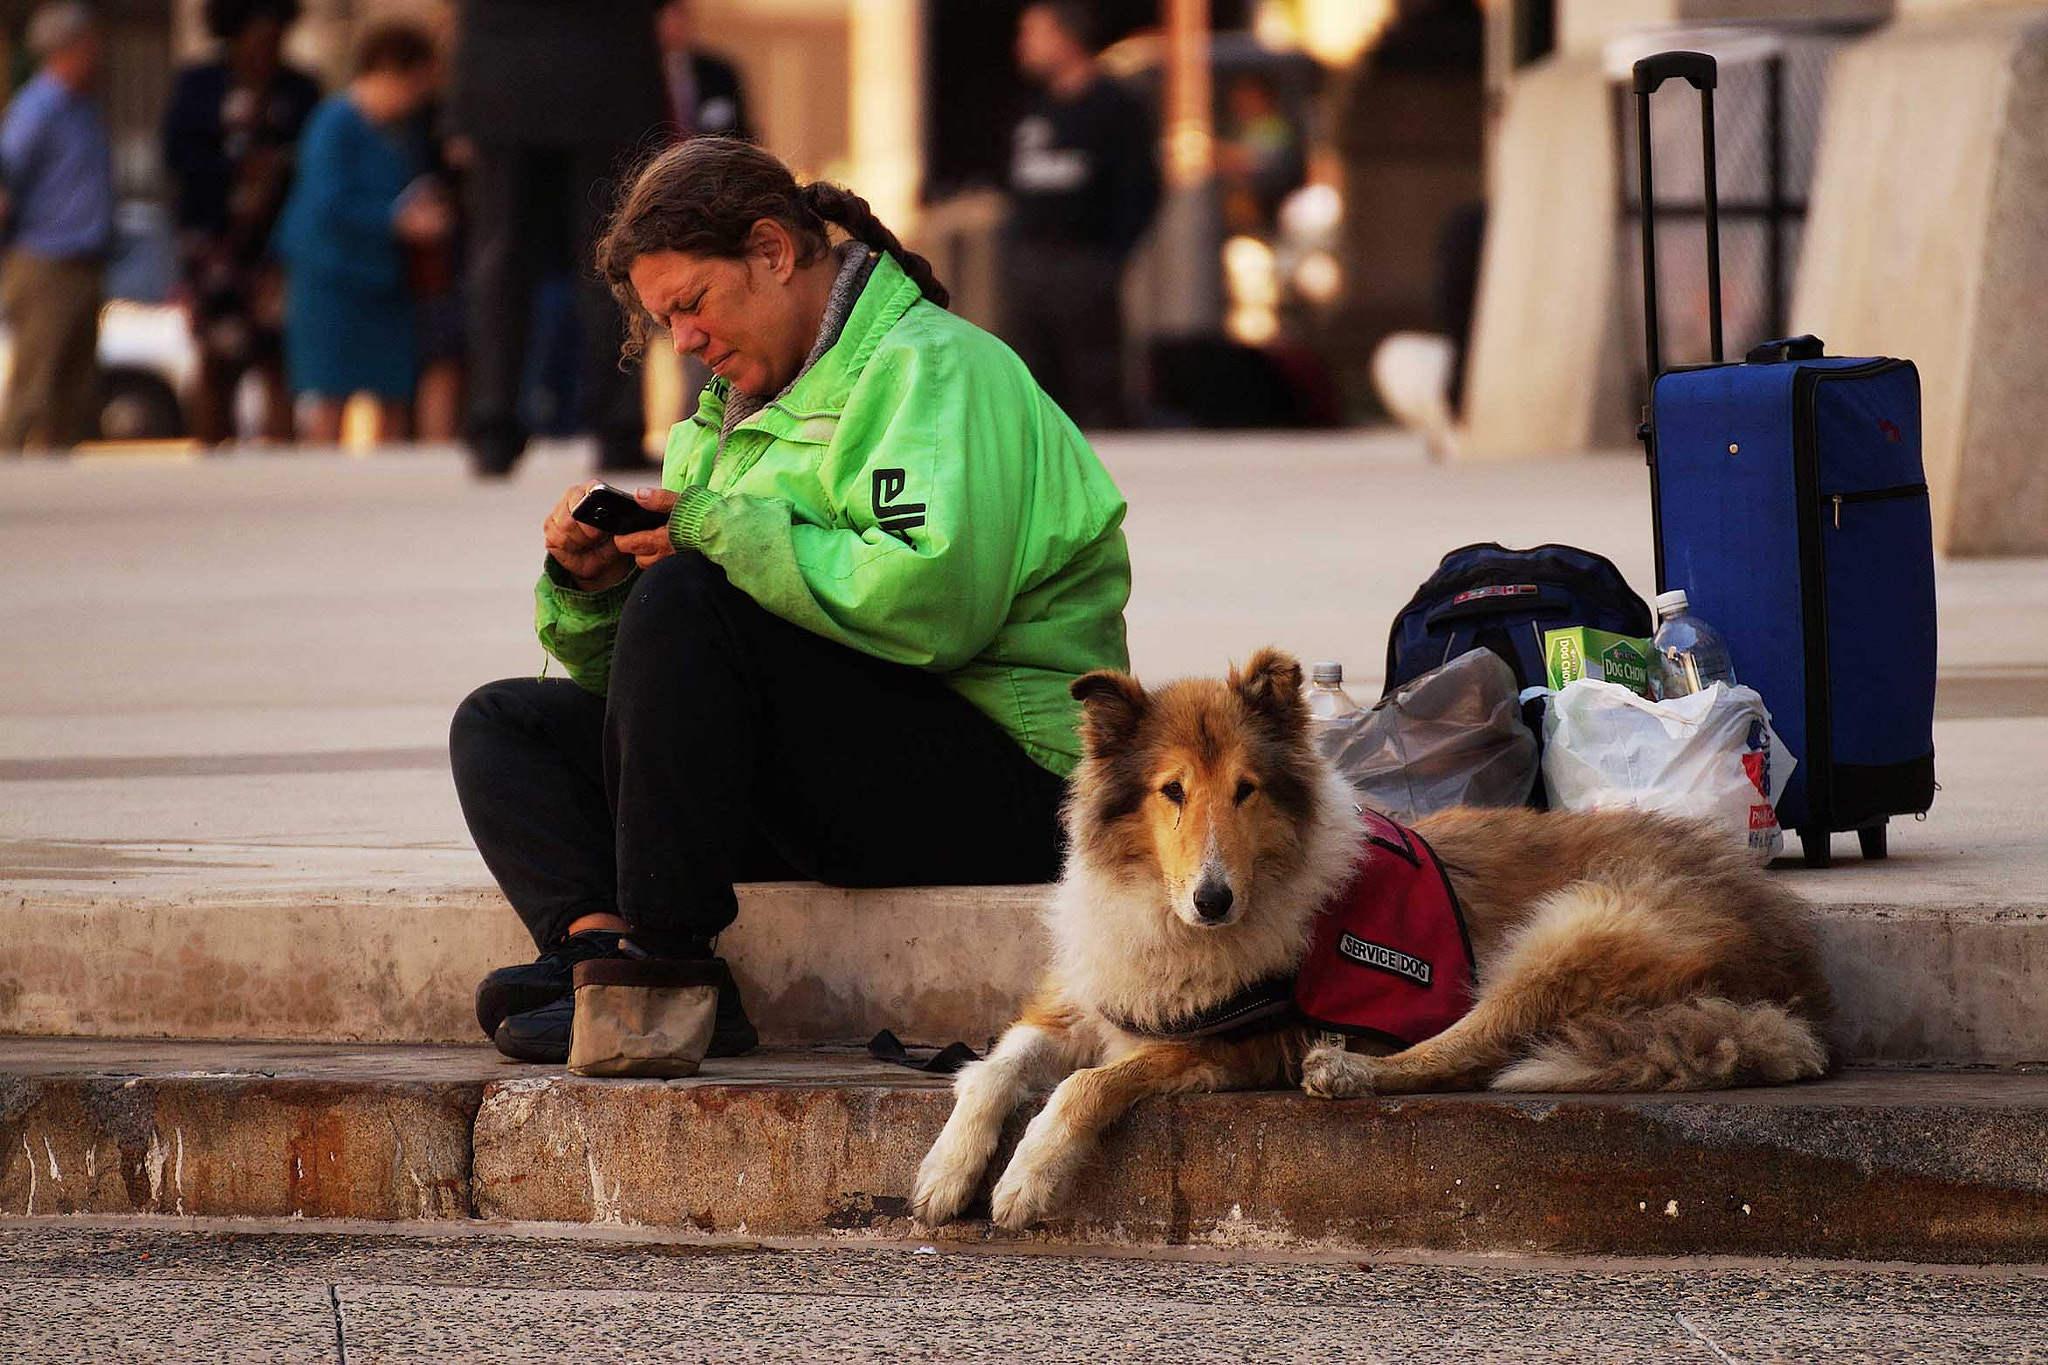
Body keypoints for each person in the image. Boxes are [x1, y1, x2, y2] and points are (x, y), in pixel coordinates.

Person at [449, 138, 1133, 1065]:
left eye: (690, 305)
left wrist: (714, 533)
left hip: (1012, 778)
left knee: (693, 587)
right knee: (503, 723)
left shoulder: (936, 370)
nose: (683, 342)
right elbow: (667, 688)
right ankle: (599, 952)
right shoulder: (725, 420)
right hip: (842, 778)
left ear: (772, 251)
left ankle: (670, 973)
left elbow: (932, 607)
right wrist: (594, 587)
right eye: (665, 323)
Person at [444, 0, 668, 478]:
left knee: (499, 262)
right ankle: (618, 427)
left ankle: (492, 429)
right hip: (604, 74)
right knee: (611, 255)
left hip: (501, 77)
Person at [271, 24, 449, 444]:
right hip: (332, 276)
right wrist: (395, 218)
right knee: (329, 395)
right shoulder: (335, 122)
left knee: (390, 392)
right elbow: (326, 201)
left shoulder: (397, 132)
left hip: (381, 279)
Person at [160, 0, 322, 446]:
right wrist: (233, 171)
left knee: (279, 358)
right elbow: (176, 157)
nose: (264, 49)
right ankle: (212, 453)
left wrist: (276, 172)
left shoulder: (300, 89)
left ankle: (282, 460)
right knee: (217, 357)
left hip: (277, 246)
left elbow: (312, 162)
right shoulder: (200, 86)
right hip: (216, 243)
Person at [1001, 0, 1160, 430]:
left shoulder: (1115, 108)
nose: (1024, 46)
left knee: (1094, 376)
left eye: (1034, 34)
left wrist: (1111, 257)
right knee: (1029, 375)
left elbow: (1141, 189)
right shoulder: (1034, 111)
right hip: (1033, 260)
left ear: (1065, 39)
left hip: (1085, 258)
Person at [0, 3, 112, 452]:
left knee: (74, 394)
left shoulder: (84, 109)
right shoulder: (38, 108)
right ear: (66, 50)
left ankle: (61, 489)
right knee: (34, 386)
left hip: (86, 259)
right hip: (47, 261)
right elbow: (7, 174)